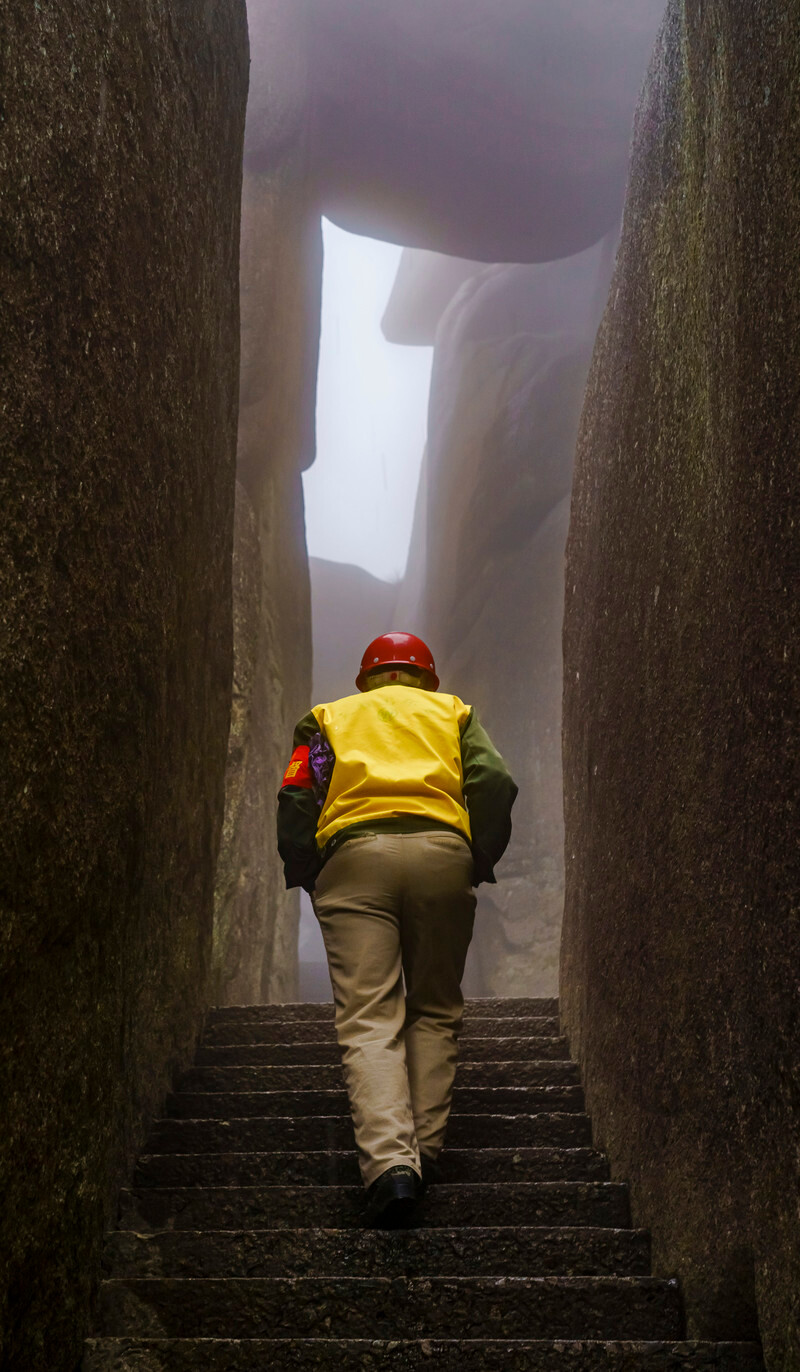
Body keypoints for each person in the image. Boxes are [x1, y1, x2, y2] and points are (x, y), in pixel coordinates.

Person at [277, 631, 517, 1226]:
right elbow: (493, 781)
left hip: (354, 857)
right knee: (434, 1007)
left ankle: (391, 1167)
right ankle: (426, 1151)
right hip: (441, 851)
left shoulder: (328, 718)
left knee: (368, 1015)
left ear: (368, 679)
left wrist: (308, 869)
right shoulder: (453, 712)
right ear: (426, 678)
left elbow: (296, 795)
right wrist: (475, 855)